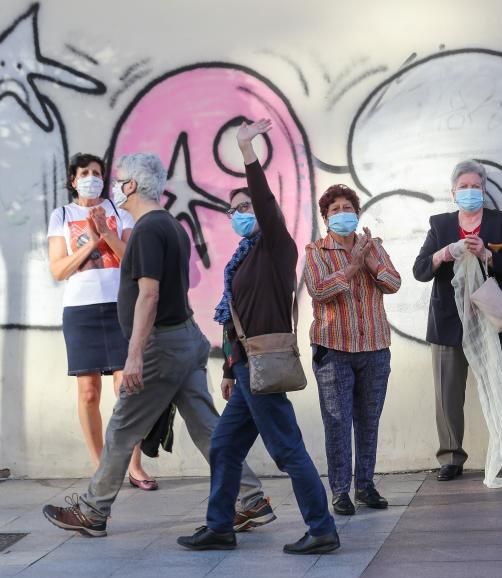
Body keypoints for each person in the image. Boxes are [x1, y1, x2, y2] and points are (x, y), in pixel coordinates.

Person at [42, 152, 270, 537]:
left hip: (160, 348)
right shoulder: (168, 226)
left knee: (121, 428)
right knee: (209, 429)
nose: (114, 187)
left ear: (131, 186)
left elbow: (148, 294)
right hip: (184, 340)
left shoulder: (148, 229)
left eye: (119, 181)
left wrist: (134, 355)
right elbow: (139, 265)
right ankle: (252, 499)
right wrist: (106, 233)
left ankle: (93, 511)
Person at [177, 119, 340, 554]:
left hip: (264, 365)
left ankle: (322, 528)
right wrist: (230, 368)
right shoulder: (242, 260)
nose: (238, 215)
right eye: (233, 210)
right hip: (247, 367)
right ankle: (219, 526)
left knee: (287, 451)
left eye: (245, 207)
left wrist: (247, 150)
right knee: (226, 446)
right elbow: (235, 319)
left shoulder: (275, 248)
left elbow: (265, 203)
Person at [47, 152, 156, 490]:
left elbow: (131, 260)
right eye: (85, 173)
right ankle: (102, 468)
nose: (91, 177)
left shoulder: (116, 211)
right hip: (80, 312)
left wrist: (107, 233)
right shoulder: (61, 215)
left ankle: (133, 465)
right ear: (73, 180)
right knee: (89, 392)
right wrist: (91, 241)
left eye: (97, 172)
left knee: (129, 389)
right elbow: (59, 269)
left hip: (119, 307)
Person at [413, 159, 502, 482]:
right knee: (448, 394)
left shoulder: (501, 222)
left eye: (476, 186)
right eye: (464, 187)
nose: (471, 192)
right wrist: (445, 253)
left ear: (484, 190)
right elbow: (421, 270)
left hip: (492, 318)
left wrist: (489, 255)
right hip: (449, 322)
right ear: (453, 192)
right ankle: (450, 456)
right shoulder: (440, 225)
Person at [304, 184, 400, 516]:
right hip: (334, 350)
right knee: (338, 423)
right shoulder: (316, 251)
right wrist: (351, 267)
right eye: (335, 210)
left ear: (357, 213)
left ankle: (366, 486)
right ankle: (340, 491)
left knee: (368, 421)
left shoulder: (371, 247)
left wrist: (371, 262)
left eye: (348, 208)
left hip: (374, 347)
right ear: (326, 217)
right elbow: (318, 290)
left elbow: (394, 283)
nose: (343, 214)